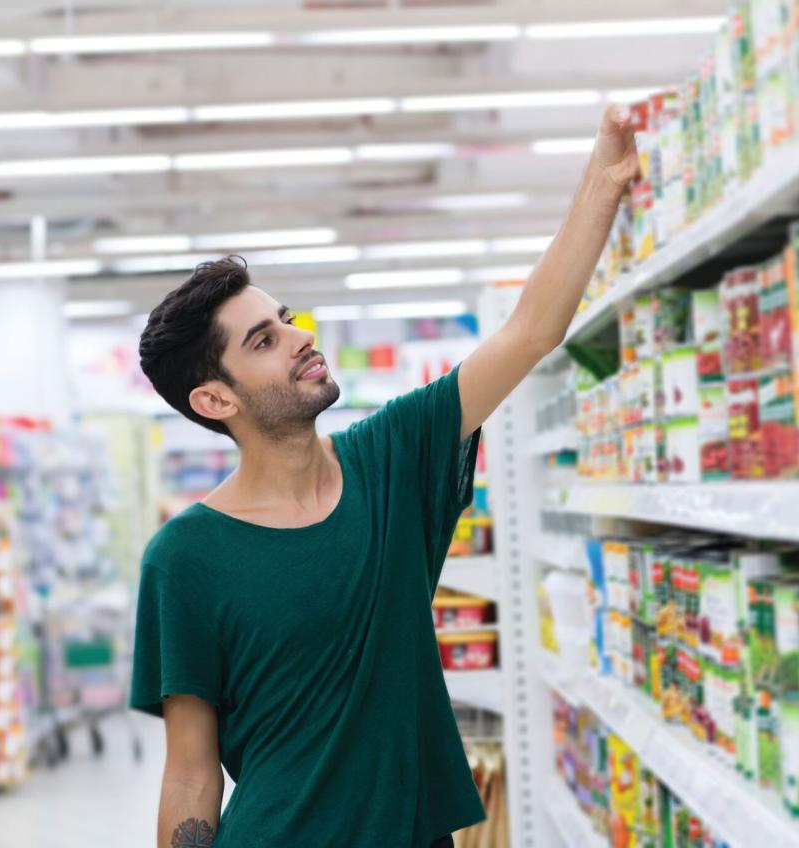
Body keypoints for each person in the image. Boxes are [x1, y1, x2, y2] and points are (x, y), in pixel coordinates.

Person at [130, 104, 639, 848]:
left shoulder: (392, 459)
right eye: (265, 340)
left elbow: (529, 331)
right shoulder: (184, 559)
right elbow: (190, 772)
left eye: (289, 318)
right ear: (216, 399)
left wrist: (605, 177)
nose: (302, 338)